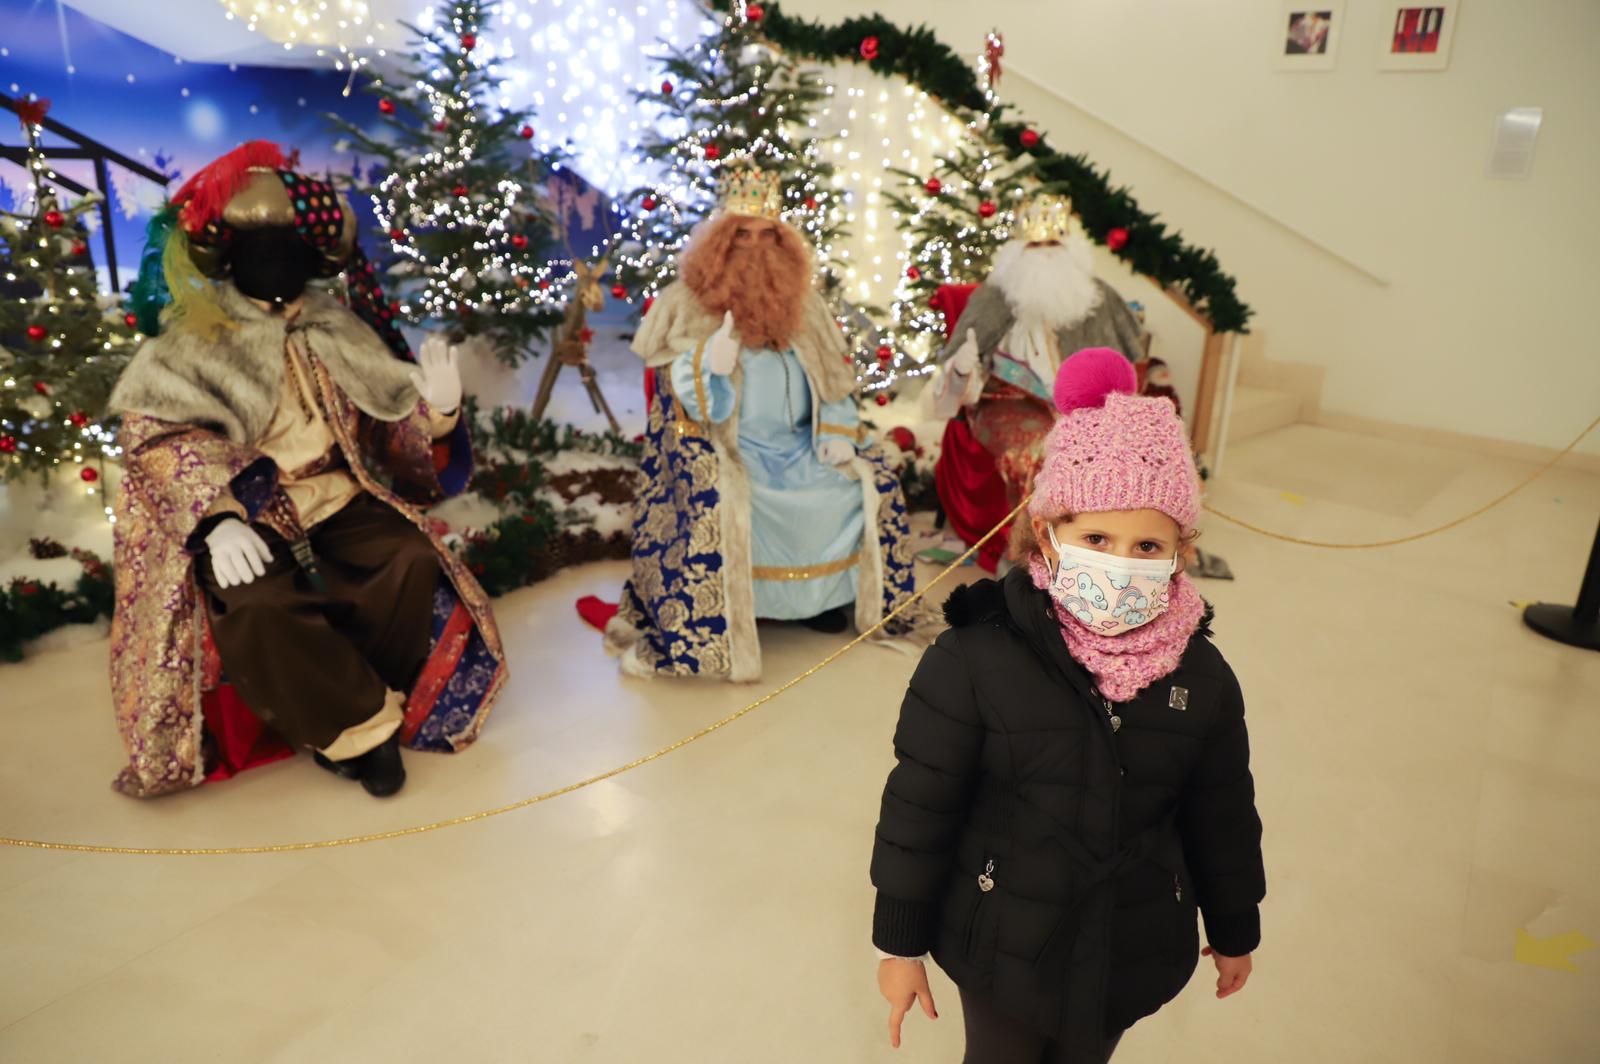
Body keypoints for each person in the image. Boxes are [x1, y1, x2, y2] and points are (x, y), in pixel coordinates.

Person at [870, 348, 1265, 1061]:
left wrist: (1235, 926)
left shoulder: (1201, 680)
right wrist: (900, 945)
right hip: (1002, 949)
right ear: (1048, 535)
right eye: (1097, 539)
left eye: (1148, 545)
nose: (1121, 564)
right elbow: (919, 808)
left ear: (1182, 552)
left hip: (1129, 949)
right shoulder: (973, 659)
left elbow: (1222, 813)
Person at [106, 141, 506, 798]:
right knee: (256, 602)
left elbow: (382, 417)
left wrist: (436, 412)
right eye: (257, 243)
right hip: (250, 507)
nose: (275, 258)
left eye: (289, 243)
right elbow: (156, 437)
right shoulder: (194, 338)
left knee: (406, 558)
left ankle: (362, 693)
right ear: (228, 252)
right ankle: (358, 729)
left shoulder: (334, 324)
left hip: (335, 494)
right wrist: (216, 519)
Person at [606, 167, 918, 681]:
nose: (754, 248)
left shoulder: (805, 304)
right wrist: (710, 362)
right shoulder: (685, 302)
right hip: (733, 446)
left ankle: (819, 601)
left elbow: (834, 381)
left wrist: (836, 433)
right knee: (739, 501)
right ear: (720, 241)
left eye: (766, 235)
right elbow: (677, 403)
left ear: (783, 241)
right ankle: (742, 606)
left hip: (801, 446)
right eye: (742, 236)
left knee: (853, 486)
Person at [930, 193, 1147, 572]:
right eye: (1035, 246)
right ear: (1017, 251)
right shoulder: (994, 297)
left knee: (1120, 448)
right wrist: (963, 369)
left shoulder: (1097, 296)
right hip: (1006, 398)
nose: (1045, 255)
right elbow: (953, 380)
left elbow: (1126, 365)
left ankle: (1101, 548)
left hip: (1083, 407)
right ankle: (1028, 561)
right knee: (1039, 452)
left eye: (1053, 246)